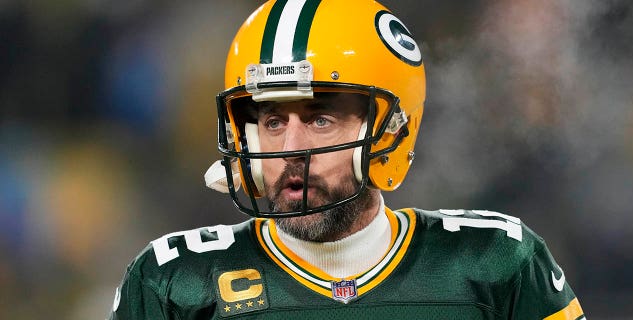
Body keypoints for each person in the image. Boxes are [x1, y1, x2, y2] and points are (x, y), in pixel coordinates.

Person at [109, 0, 585, 319]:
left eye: (319, 119)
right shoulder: (174, 281)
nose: (289, 149)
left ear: (389, 132)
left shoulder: (498, 261)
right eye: (273, 122)